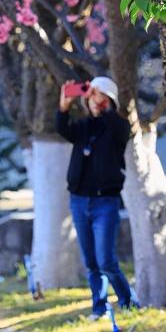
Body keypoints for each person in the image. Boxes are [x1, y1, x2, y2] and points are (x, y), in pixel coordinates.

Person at [56, 75, 137, 319]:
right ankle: (99, 307)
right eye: (91, 96)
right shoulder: (82, 127)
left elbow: (121, 130)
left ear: (109, 100)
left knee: (106, 261)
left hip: (105, 202)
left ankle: (128, 302)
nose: (93, 101)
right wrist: (64, 106)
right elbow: (63, 129)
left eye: (99, 96)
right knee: (91, 262)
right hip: (79, 200)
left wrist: (103, 104)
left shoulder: (117, 126)